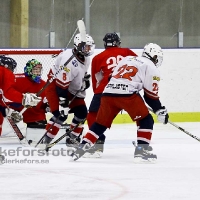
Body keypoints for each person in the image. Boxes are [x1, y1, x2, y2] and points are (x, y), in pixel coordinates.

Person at [71, 43, 169, 163]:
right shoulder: (151, 67)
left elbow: (110, 77)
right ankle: (141, 151)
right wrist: (160, 110)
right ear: (154, 57)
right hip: (127, 96)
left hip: (107, 93)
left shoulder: (127, 59)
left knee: (100, 124)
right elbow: (151, 96)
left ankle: (81, 148)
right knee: (146, 120)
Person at [85, 32, 137, 157]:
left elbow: (96, 80)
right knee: (142, 117)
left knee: (93, 115)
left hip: (105, 91)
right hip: (126, 90)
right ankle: (143, 145)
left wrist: (97, 94)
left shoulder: (98, 58)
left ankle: (98, 141)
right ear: (118, 42)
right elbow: (139, 67)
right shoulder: (127, 52)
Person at [39, 33, 95, 148]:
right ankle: (45, 141)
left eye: (90, 46)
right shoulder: (68, 60)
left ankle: (72, 139)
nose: (88, 49)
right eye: (86, 46)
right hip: (55, 87)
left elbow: (80, 74)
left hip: (70, 88)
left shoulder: (86, 58)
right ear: (78, 46)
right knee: (61, 115)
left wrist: (84, 80)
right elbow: (61, 86)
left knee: (82, 113)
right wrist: (63, 105)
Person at [0, 56, 42, 135]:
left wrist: (6, 110)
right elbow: (8, 94)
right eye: (9, 67)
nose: (10, 70)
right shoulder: (6, 74)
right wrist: (24, 98)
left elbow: (2, 96)